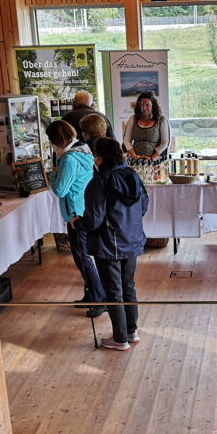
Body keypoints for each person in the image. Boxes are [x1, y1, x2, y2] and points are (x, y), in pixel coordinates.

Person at [72, 138, 149, 351]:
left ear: (101, 158)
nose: (93, 159)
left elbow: (94, 219)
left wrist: (78, 222)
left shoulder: (100, 181)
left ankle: (120, 338)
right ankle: (132, 331)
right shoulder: (132, 175)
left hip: (108, 244)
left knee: (114, 291)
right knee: (128, 286)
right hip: (132, 239)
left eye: (95, 155)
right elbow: (144, 206)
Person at [46, 120, 106, 319]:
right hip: (82, 208)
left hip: (75, 214)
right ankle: (91, 293)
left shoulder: (69, 159)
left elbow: (59, 189)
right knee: (83, 256)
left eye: (51, 141)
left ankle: (100, 298)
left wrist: (52, 175)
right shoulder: (83, 150)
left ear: (57, 140)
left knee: (83, 257)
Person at [123, 92, 170, 160]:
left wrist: (151, 159)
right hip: (136, 161)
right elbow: (126, 140)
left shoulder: (161, 120)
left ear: (153, 106)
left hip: (155, 161)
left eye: (147, 105)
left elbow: (165, 143)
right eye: (142, 105)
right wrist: (135, 156)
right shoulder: (133, 119)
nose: (144, 108)